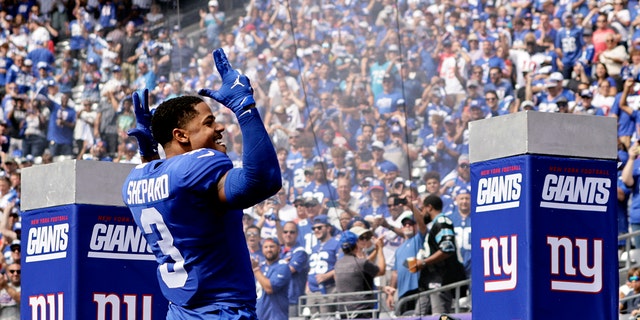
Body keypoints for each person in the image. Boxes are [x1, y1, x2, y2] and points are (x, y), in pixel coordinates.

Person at [122, 49, 281, 319]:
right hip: (222, 311)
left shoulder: (135, 179)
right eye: (209, 123)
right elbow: (263, 181)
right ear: (181, 135)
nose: (219, 128)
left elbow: (166, 182)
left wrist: (150, 151)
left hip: (180, 312)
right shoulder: (199, 165)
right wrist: (245, 107)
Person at [416, 194, 466, 314]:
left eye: (422, 209)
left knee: (439, 316)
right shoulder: (434, 224)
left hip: (442, 280)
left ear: (429, 207)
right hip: (429, 280)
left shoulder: (443, 221)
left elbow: (447, 249)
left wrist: (423, 262)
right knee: (418, 315)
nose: (422, 214)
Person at [334, 230, 385, 319]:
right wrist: (380, 249)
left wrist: (376, 250)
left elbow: (364, 266)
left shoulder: (338, 264)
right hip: (362, 311)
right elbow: (381, 270)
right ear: (357, 245)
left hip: (344, 312)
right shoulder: (362, 263)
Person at [252, 237, 291, 320]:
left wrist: (256, 270)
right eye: (266, 247)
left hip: (276, 316)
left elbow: (269, 288)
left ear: (278, 248)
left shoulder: (282, 266)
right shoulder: (261, 266)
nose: (268, 249)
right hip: (259, 315)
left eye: (272, 246)